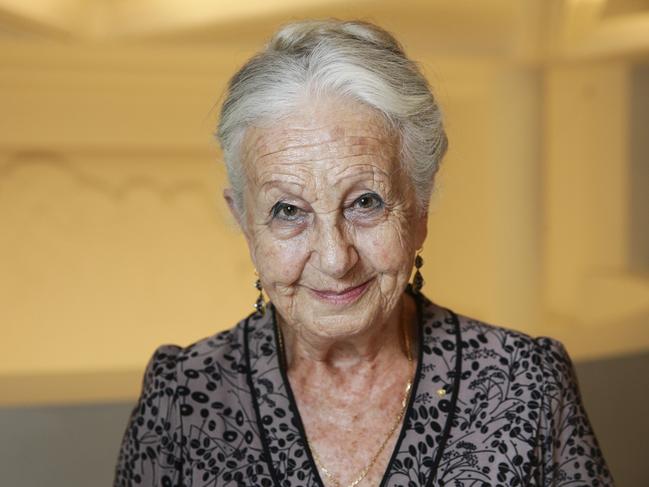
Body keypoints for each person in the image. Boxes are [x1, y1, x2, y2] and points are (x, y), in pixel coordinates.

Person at [114, 19, 613, 487]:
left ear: (419, 210)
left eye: (366, 202)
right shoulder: (180, 397)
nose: (335, 259)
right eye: (289, 210)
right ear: (246, 223)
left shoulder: (528, 383)